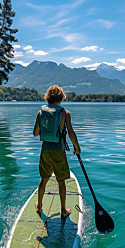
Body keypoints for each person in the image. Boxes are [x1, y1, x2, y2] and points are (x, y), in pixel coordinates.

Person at [33, 85, 81, 218]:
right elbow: (71, 133)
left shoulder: (40, 112)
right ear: (61, 98)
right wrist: (77, 147)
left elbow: (35, 133)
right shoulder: (65, 113)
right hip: (58, 151)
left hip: (45, 150)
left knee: (44, 179)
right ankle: (63, 211)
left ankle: (40, 206)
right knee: (61, 181)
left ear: (48, 97)